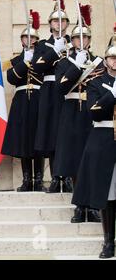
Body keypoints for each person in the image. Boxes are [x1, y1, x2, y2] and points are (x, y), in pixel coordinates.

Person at [54, 8, 104, 223]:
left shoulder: (99, 62)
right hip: (72, 112)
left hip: (92, 115)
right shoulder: (64, 62)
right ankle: (79, 205)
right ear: (72, 41)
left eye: (84, 38)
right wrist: (76, 64)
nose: (81, 41)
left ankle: (92, 206)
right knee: (74, 161)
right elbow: (61, 87)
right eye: (77, 38)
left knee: (91, 161)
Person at [72, 35, 116, 259]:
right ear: (106, 60)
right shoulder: (96, 84)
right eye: (111, 58)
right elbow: (95, 111)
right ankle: (109, 241)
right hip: (103, 138)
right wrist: (112, 95)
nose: (115, 61)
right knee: (107, 193)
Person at [2, 10, 45, 192]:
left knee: (38, 140)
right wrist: (24, 62)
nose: (29, 41)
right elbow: (12, 78)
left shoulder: (43, 59)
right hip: (21, 102)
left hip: (38, 100)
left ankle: (39, 179)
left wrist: (33, 60)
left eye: (32, 39)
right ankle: (27, 180)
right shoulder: (16, 60)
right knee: (24, 141)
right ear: (22, 41)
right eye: (26, 38)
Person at [32, 0, 70, 193]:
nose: (59, 24)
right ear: (50, 24)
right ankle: (56, 177)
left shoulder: (75, 43)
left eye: (63, 21)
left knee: (68, 135)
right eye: (56, 21)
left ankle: (69, 177)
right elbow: (37, 67)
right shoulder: (42, 45)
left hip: (69, 92)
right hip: (49, 91)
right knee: (53, 135)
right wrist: (55, 51)